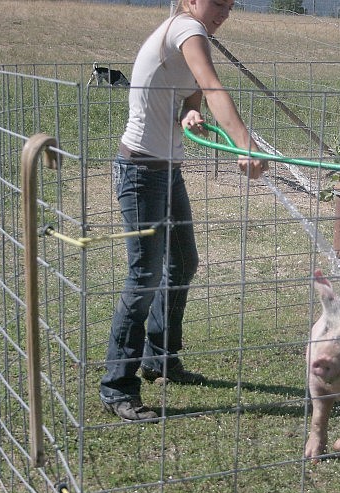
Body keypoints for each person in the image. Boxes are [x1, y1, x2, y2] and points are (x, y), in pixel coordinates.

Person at [100, 0, 268, 421]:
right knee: (143, 277)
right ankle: (117, 386)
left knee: (183, 262)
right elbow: (213, 88)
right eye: (218, 3)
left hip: (166, 170)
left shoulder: (191, 35)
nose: (224, 12)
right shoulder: (185, 29)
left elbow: (194, 99)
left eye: (231, 6)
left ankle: (160, 358)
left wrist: (190, 113)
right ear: (192, 0)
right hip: (140, 171)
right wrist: (246, 145)